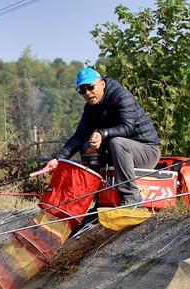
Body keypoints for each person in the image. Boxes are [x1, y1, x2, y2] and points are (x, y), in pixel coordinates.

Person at [43, 67, 161, 205]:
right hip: (120, 152)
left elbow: (128, 127)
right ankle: (99, 200)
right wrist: (58, 159)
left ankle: (132, 198)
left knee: (117, 143)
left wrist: (102, 133)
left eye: (90, 87)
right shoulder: (90, 108)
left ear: (102, 84)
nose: (87, 93)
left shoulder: (122, 97)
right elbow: (79, 136)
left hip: (147, 151)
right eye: (82, 90)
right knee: (87, 147)